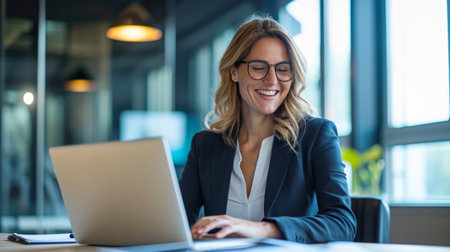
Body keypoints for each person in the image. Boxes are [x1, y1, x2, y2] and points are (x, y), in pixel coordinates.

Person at [179, 17, 356, 243]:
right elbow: (178, 222)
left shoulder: (315, 135)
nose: (272, 80)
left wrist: (262, 229)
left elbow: (342, 222)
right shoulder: (205, 145)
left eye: (283, 69)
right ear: (234, 71)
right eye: (258, 68)